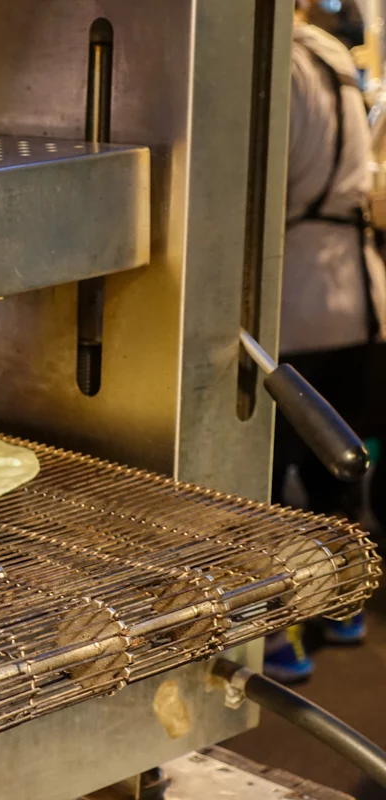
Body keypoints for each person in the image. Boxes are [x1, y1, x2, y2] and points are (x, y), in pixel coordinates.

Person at [264, 3, 386, 683]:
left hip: (299, 302)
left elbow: (263, 184)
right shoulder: (336, 59)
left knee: (275, 482)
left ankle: (280, 639)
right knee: (337, 472)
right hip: (359, 299)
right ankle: (344, 607)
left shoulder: (278, 64)